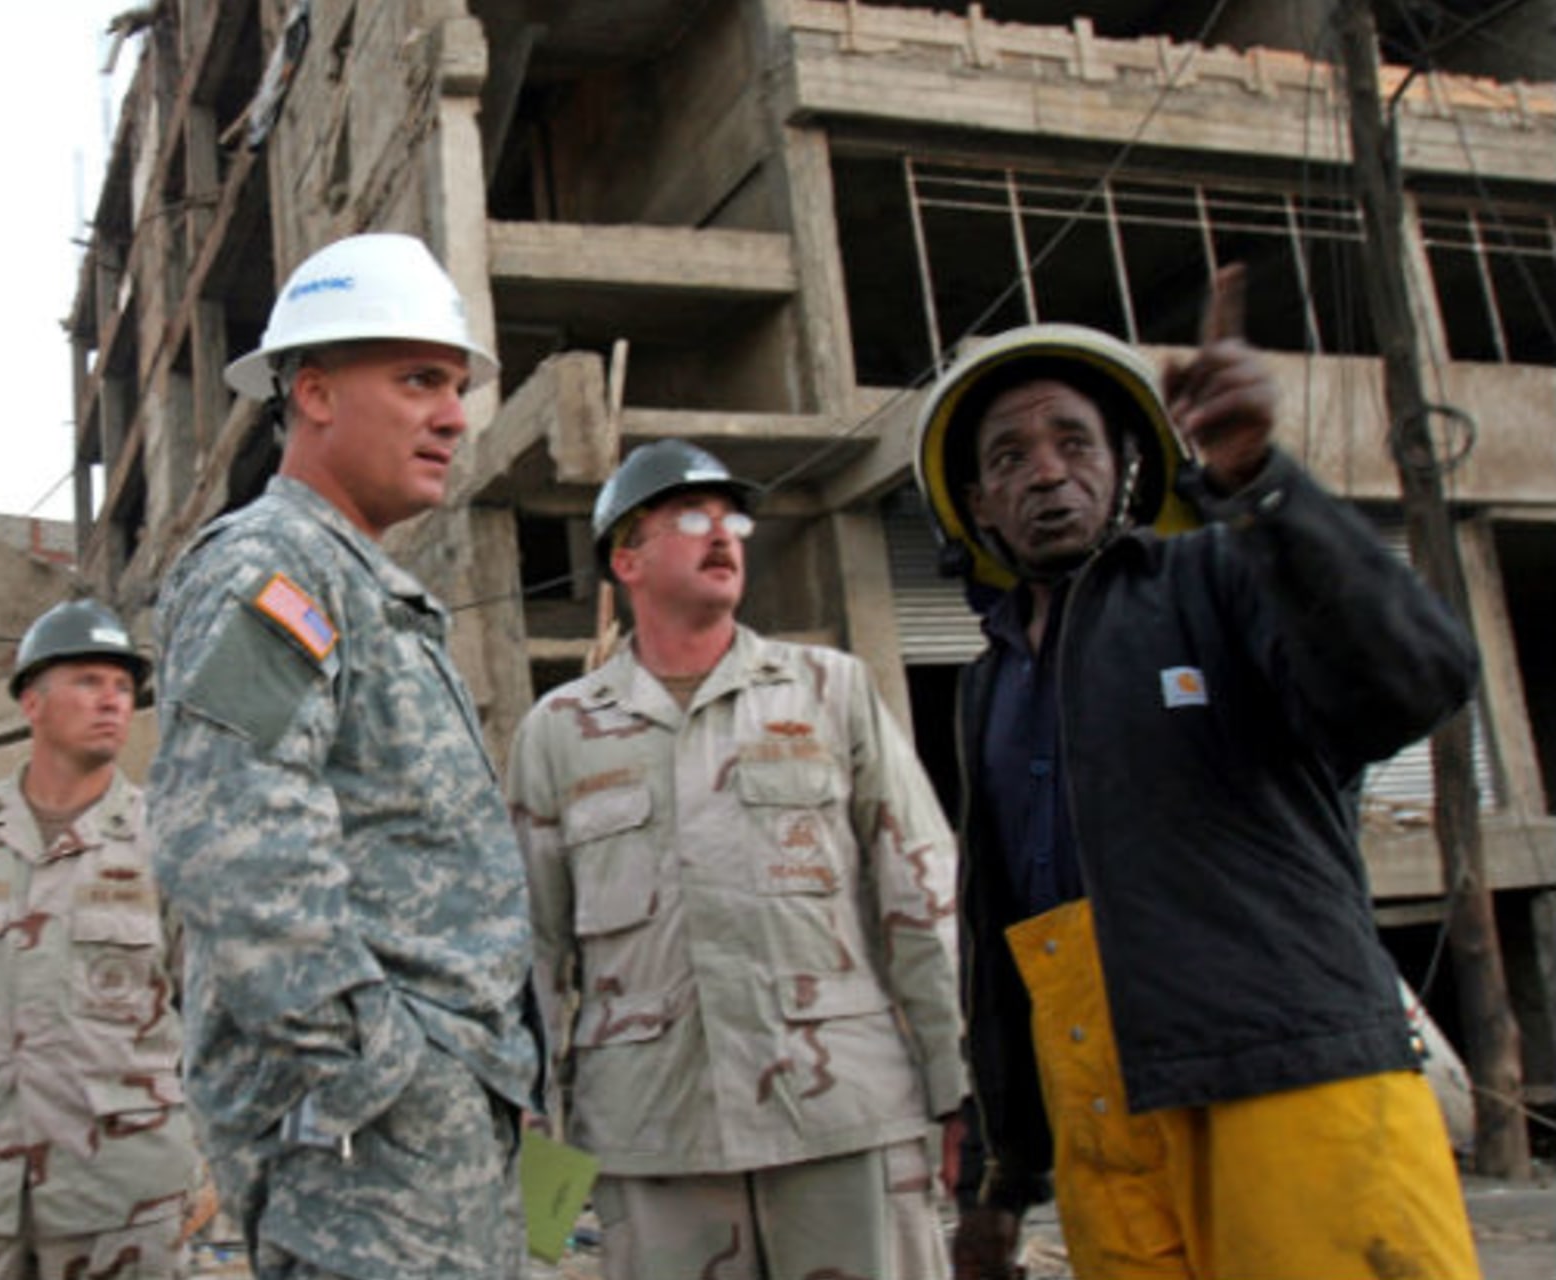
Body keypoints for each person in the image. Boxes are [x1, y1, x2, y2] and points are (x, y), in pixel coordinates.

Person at [922, 268, 1483, 1280]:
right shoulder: (987, 688)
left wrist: (1264, 484)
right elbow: (1005, 943)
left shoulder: (1221, 576)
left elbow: (1418, 678)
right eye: (1011, 456)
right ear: (978, 505)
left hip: (1294, 1088)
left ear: (1128, 465)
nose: (1047, 472)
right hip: (1109, 1134)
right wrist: (1003, 1176)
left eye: (1073, 442)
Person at [147, 232, 542, 1279]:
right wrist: (389, 1065)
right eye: (418, 379)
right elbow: (228, 840)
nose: (454, 414)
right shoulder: (275, 568)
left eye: (455, 384)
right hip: (370, 1144)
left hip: (431, 1123)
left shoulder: (363, 583)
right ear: (313, 392)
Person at [505, 438, 968, 1280]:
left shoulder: (831, 690)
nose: (722, 536)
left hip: (840, 1115)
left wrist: (958, 1084)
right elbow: (527, 950)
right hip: (655, 1136)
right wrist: (525, 1122)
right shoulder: (560, 732)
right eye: (688, 518)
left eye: (733, 519)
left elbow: (922, 892)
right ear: (626, 560)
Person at [0, 598, 200, 1279]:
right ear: (32, 702)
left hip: (119, 1181)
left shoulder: (167, 841)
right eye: (89, 681)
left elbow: (201, 1001)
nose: (112, 701)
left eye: (124, 687)